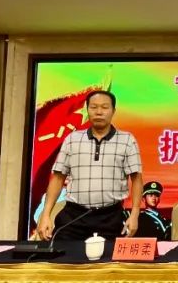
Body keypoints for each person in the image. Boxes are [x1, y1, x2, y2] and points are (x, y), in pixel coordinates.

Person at [37, 90, 143, 241]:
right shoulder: (72, 139)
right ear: (87, 110)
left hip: (110, 217)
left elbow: (136, 179)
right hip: (74, 216)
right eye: (93, 107)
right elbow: (58, 178)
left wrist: (134, 214)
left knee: (109, 256)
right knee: (63, 254)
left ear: (113, 111)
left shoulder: (127, 140)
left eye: (104, 107)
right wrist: (46, 214)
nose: (99, 112)